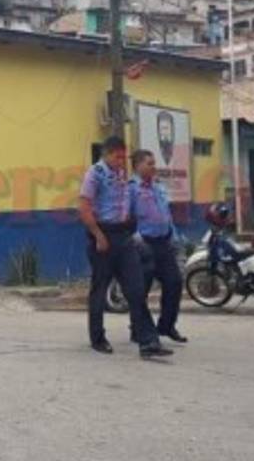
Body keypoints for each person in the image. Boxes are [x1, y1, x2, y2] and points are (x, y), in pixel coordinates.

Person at [78, 135, 171, 359]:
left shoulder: (122, 175)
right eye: (118, 157)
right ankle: (98, 338)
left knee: (137, 289)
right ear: (107, 154)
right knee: (100, 289)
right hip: (102, 235)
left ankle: (148, 341)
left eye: (123, 157)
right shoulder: (94, 174)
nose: (122, 161)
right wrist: (98, 236)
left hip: (123, 236)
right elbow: (84, 208)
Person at [129, 149, 186, 343]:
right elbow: (127, 217)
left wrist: (174, 237)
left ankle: (166, 326)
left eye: (154, 163)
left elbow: (166, 214)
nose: (154, 167)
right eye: (149, 163)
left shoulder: (158, 187)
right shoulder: (131, 189)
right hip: (144, 244)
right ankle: (137, 329)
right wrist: (136, 240)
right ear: (137, 166)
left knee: (174, 282)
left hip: (164, 242)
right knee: (141, 289)